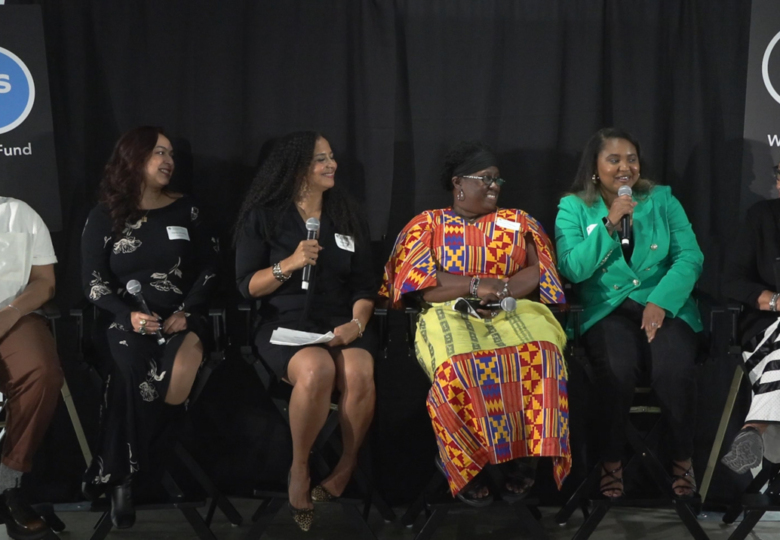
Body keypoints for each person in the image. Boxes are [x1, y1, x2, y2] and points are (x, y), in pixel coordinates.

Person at [381, 141, 571, 506]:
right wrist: (473, 285)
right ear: (458, 184)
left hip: (515, 308)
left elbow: (540, 268)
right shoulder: (427, 223)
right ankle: (465, 461)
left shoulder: (519, 220)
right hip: (450, 310)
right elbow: (417, 282)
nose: (494, 187)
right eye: (485, 179)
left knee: (544, 354)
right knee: (458, 366)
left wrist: (503, 289)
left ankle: (525, 454)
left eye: (498, 180)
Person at [234, 131, 377, 532]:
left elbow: (366, 287)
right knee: (317, 370)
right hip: (285, 323)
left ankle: (346, 465)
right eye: (320, 159)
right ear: (296, 168)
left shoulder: (347, 213)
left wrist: (357, 323)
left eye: (331, 157)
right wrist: (291, 262)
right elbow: (247, 285)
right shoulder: (263, 215)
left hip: (342, 322)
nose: (331, 165)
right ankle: (299, 467)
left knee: (359, 372)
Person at [80, 126, 220, 528]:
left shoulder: (188, 209)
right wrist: (127, 316)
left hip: (183, 321)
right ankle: (124, 481)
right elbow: (91, 282)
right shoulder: (103, 216)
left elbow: (211, 268)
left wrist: (190, 311)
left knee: (174, 380)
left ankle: (110, 470)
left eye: (171, 153)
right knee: (129, 371)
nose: (168, 161)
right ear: (134, 158)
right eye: (159, 152)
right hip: (127, 323)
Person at [555, 127, 704, 499]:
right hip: (607, 311)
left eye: (632, 158)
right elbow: (571, 269)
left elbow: (690, 256)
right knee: (617, 370)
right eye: (615, 159)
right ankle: (610, 462)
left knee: (673, 367)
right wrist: (608, 223)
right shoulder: (572, 208)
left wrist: (661, 302)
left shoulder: (662, 200)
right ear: (595, 167)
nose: (626, 167)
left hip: (663, 306)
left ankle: (683, 460)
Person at [0, 196, 63, 539]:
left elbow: (44, 281)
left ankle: (8, 484)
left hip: (13, 316)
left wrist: (9, 312)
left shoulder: (18, 213)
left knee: (42, 373)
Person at [721, 160, 780, 473]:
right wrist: (774, 301)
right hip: (765, 329)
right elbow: (731, 281)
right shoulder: (762, 218)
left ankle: (753, 429)